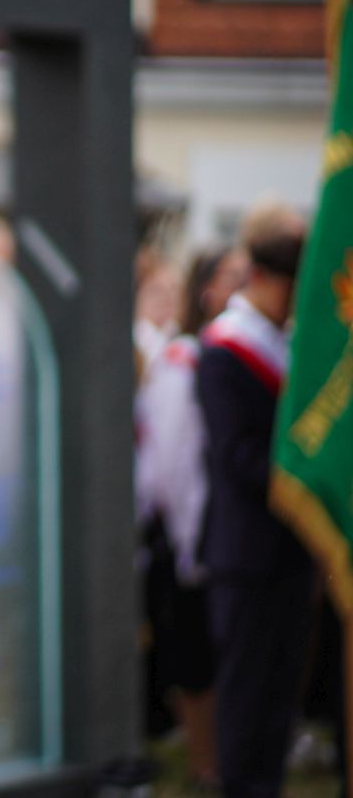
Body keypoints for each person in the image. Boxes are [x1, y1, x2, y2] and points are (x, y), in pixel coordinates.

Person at [197, 199, 311, 798]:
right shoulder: (226, 347)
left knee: (279, 696)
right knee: (246, 697)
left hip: (292, 547)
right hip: (246, 552)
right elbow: (236, 455)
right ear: (265, 277)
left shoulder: (287, 343)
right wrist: (300, 477)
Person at [135, 244, 245, 787]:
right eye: (231, 276)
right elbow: (169, 465)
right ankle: (206, 762)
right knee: (194, 654)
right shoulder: (183, 359)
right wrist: (188, 542)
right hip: (190, 534)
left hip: (215, 532)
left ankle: (225, 755)